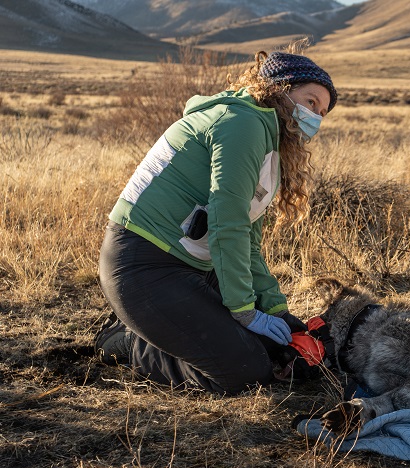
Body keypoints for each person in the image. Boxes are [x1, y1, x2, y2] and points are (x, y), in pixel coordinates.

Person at [94, 43, 336, 395]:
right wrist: (245, 312)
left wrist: (276, 310)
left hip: (193, 267)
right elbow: (227, 225)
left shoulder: (266, 138)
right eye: (311, 101)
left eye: (322, 112)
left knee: (276, 350)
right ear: (280, 88)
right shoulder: (243, 123)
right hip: (144, 267)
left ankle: (164, 328)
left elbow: (248, 240)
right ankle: (129, 342)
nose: (315, 117)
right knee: (244, 372)